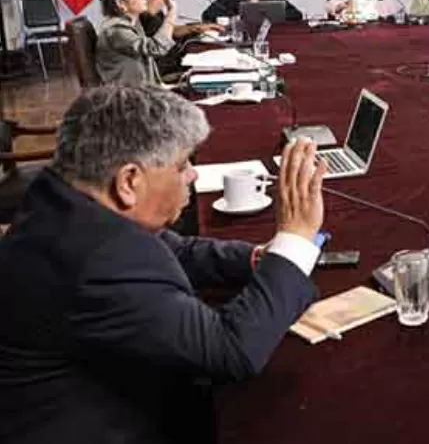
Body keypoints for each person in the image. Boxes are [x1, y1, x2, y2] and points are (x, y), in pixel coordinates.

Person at [0, 85, 325, 443]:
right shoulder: (95, 262)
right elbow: (233, 350)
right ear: (129, 181)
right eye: (182, 165)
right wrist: (295, 237)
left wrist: (257, 259)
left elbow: (176, 250)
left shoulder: (65, 200)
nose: (192, 175)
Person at [94, 0, 175, 85]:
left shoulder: (132, 23)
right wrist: (171, 12)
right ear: (120, 3)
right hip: (128, 94)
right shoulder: (115, 30)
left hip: (141, 90)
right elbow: (156, 48)